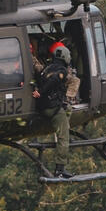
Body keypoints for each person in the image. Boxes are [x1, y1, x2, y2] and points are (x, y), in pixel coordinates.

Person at [33, 44, 74, 178]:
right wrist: (41, 92)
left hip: (42, 108)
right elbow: (54, 80)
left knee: (68, 109)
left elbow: (40, 78)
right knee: (64, 137)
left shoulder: (47, 68)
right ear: (65, 57)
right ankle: (60, 169)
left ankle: (64, 128)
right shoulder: (62, 71)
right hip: (52, 108)